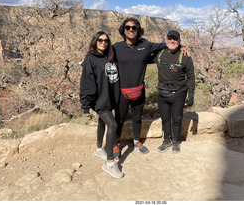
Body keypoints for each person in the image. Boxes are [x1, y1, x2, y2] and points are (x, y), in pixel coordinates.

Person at [113, 18, 190, 155]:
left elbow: (167, 44)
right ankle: (115, 144)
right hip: (122, 92)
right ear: (123, 30)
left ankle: (136, 142)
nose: (131, 29)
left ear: (138, 30)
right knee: (119, 119)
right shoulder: (117, 47)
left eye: (134, 27)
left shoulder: (146, 46)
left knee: (137, 119)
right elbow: (102, 54)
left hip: (139, 90)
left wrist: (182, 46)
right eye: (128, 27)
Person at [80, 31, 123, 179]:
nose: (103, 42)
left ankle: (99, 148)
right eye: (100, 40)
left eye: (106, 40)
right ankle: (109, 163)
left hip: (111, 99)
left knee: (102, 122)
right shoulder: (90, 60)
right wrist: (85, 104)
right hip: (100, 101)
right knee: (112, 125)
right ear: (95, 41)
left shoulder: (110, 57)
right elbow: (86, 82)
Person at [155, 30, 195, 153]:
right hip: (162, 93)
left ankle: (176, 141)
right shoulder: (159, 54)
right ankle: (167, 140)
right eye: (170, 38)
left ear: (179, 41)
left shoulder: (185, 56)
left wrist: (191, 95)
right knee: (165, 119)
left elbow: (191, 76)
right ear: (166, 40)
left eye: (175, 39)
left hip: (178, 93)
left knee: (177, 119)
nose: (172, 41)